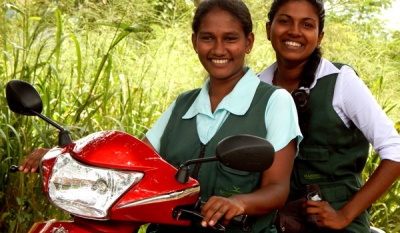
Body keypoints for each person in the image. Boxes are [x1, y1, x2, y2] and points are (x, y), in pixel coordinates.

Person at [20, 0, 302, 232]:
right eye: (207, 38)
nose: (218, 50)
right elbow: (132, 160)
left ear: (249, 42)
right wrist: (63, 155)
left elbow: (277, 188)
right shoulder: (183, 104)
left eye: (230, 39)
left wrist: (240, 203)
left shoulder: (274, 101)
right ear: (194, 42)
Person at [258, 0, 400, 232]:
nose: (294, 31)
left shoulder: (340, 81)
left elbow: (395, 151)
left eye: (307, 24)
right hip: (275, 221)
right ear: (268, 29)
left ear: (319, 37)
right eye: (285, 21)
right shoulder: (256, 87)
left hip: (337, 225)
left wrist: (344, 215)